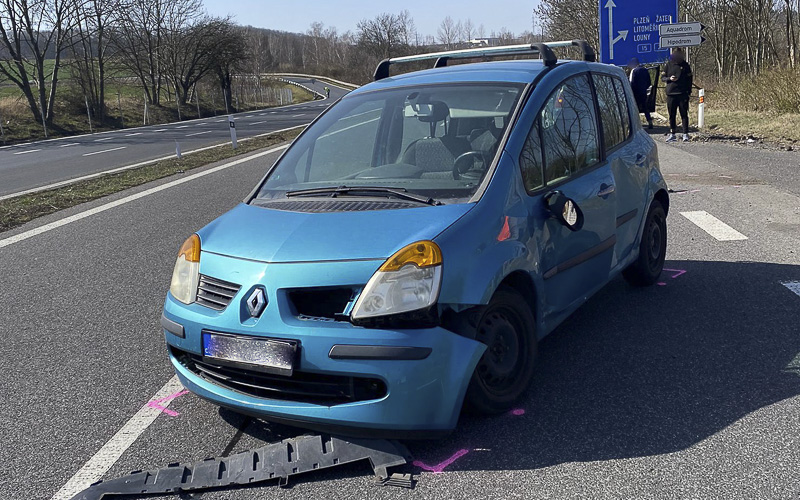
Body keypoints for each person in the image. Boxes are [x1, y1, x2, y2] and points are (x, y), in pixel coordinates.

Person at [661, 47, 693, 143]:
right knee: (672, 115)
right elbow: (662, 78)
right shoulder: (668, 65)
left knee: (684, 114)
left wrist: (688, 92)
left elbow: (690, 79)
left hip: (682, 93)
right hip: (671, 93)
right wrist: (669, 78)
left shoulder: (685, 65)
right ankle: (672, 134)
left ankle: (685, 134)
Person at [628, 58, 653, 129]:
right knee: (645, 107)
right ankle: (649, 121)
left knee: (635, 108)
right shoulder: (645, 70)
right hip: (643, 92)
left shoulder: (634, 71)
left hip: (635, 92)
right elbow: (649, 81)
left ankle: (635, 124)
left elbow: (632, 82)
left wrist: (631, 92)